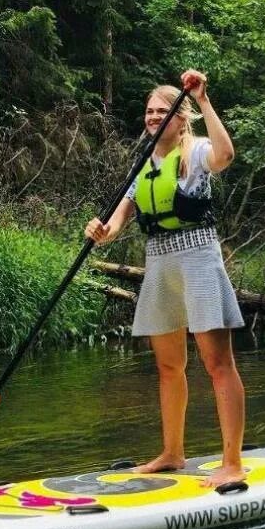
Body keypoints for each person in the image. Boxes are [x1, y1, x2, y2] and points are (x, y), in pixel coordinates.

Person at [85, 69, 246, 487]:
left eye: (164, 110)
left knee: (217, 363)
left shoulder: (195, 152)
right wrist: (99, 231)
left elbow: (226, 156)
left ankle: (233, 463)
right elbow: (116, 223)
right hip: (159, 264)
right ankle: (173, 453)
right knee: (168, 366)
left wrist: (205, 99)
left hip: (197, 259)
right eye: (149, 111)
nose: (154, 117)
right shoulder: (143, 165)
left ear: (181, 117)